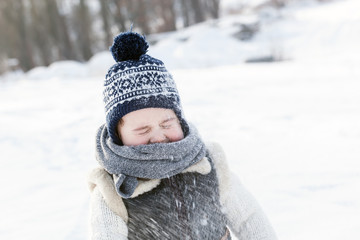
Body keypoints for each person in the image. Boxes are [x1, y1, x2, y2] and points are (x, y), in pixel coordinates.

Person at [88, 31, 277, 240]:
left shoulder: (209, 163)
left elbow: (248, 217)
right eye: (143, 130)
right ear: (118, 135)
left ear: (179, 120)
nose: (159, 137)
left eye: (167, 124)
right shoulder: (111, 190)